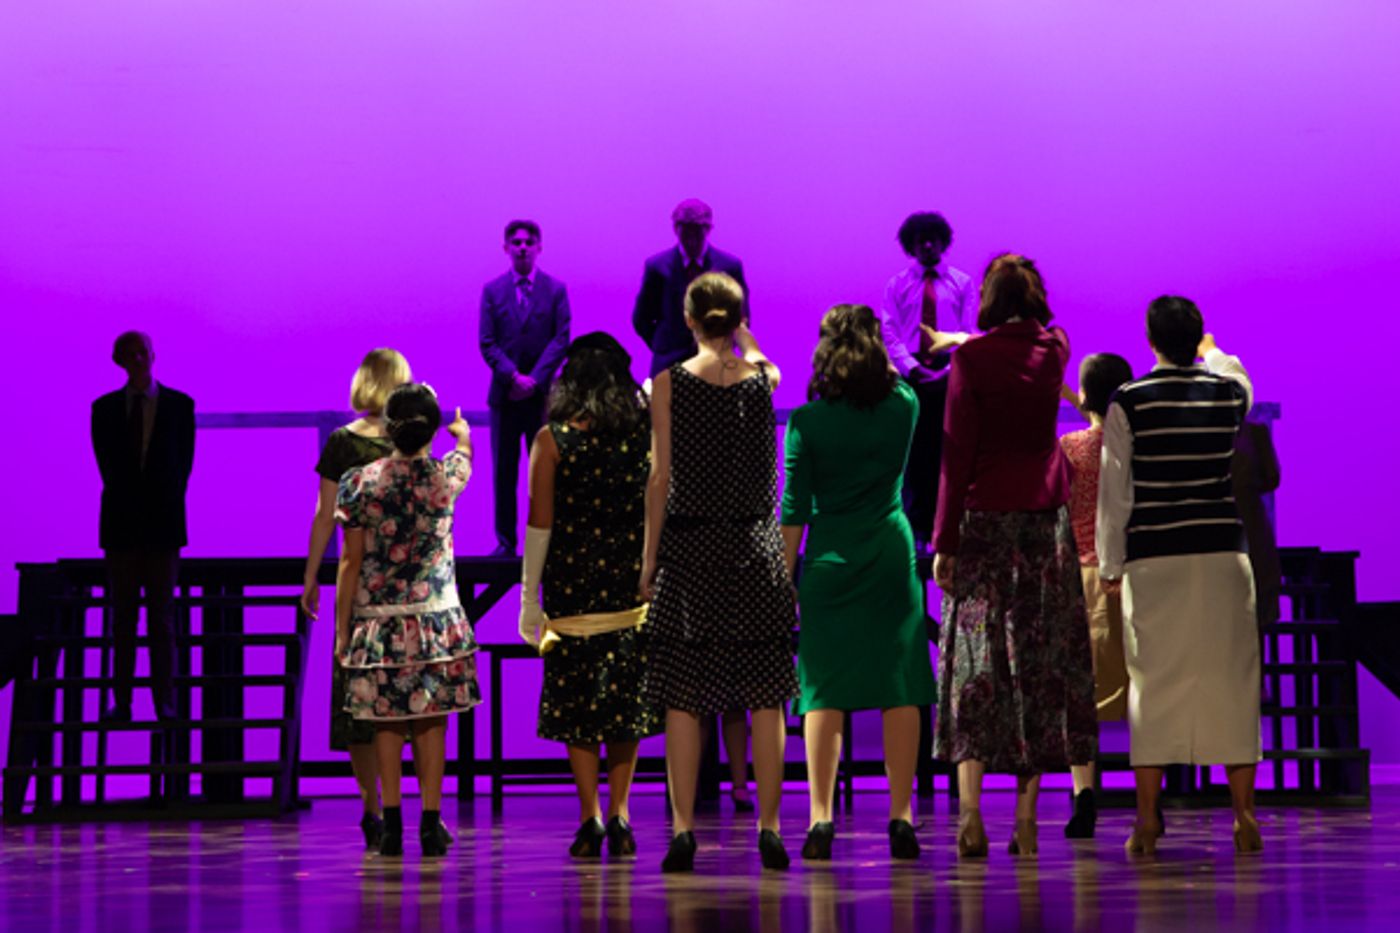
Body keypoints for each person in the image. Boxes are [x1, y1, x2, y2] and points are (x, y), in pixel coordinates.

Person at [932, 254, 1097, 859]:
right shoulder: (1055, 350)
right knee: (1037, 665)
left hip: (984, 524)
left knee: (976, 668)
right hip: (1043, 527)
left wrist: (944, 541)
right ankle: (1026, 820)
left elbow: (956, 455)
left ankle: (970, 814)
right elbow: (1043, 334)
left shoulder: (970, 361)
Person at [641, 273, 797, 873]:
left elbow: (660, 478)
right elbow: (766, 361)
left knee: (685, 695)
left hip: (690, 546)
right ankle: (770, 827)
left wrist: (649, 560)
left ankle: (683, 829)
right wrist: (746, 339)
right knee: (764, 692)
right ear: (736, 320)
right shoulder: (762, 378)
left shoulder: (668, 383)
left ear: (687, 320)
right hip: (754, 545)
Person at [1096, 299, 1263, 856]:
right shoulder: (1227, 394)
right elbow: (1240, 377)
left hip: (1155, 557)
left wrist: (1110, 564)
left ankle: (1147, 819)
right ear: (1197, 340)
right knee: (1233, 681)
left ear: (1150, 341)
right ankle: (1243, 814)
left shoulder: (1129, 400)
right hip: (1221, 555)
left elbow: (1115, 494)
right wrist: (1214, 353)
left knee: (1153, 683)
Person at [780, 304, 937, 862]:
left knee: (824, 688)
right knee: (899, 683)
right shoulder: (904, 405)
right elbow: (899, 377)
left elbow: (794, 510)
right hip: (891, 556)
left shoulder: (806, 422)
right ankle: (901, 815)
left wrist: (785, 578)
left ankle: (821, 818)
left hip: (829, 560)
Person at [518, 332, 663, 859]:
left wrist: (529, 600)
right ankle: (621, 812)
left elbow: (539, 525)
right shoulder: (645, 435)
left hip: (572, 583)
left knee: (576, 699)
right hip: (628, 579)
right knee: (625, 699)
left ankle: (590, 816)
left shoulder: (552, 440)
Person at [336, 384, 480, 858]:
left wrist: (342, 628)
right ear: (431, 429)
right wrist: (461, 433)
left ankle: (392, 824)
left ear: (388, 427)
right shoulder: (444, 477)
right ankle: (431, 823)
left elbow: (350, 562)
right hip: (434, 619)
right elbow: (465, 454)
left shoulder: (362, 483)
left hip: (379, 623)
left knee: (387, 721)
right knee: (431, 719)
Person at [300, 348, 410, 850]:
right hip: (404, 583)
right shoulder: (409, 442)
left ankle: (373, 806)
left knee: (358, 702)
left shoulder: (344, 442)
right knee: (403, 704)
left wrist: (311, 576)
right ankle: (398, 805)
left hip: (359, 585)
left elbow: (324, 514)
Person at [91, 331, 195, 722]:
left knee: (160, 618)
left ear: (152, 355)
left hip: (161, 525)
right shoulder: (103, 409)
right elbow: (108, 467)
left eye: (142, 352)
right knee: (124, 617)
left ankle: (163, 701)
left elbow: (182, 467)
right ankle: (124, 701)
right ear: (119, 359)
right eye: (130, 354)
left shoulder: (180, 406)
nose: (137, 359)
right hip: (123, 525)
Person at [1057, 352, 1135, 839]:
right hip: (1135, 576)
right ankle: (1149, 795)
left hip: (1084, 578)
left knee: (1079, 694)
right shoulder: (1136, 448)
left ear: (1084, 395)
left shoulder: (1069, 448)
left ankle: (1084, 792)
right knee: (1141, 687)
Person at [878, 211, 976, 552]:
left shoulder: (961, 283)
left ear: (943, 242)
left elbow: (967, 330)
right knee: (914, 454)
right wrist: (912, 368)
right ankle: (916, 531)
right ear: (912, 245)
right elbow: (890, 332)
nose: (928, 246)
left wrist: (947, 371)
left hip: (950, 375)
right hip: (913, 377)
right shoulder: (897, 285)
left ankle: (946, 528)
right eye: (921, 241)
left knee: (947, 453)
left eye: (933, 240)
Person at [479, 219, 572, 556]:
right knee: (504, 474)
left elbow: (561, 338)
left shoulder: (555, 289)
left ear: (538, 247)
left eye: (528, 242)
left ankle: (544, 541)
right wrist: (513, 377)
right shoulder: (493, 291)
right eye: (516, 242)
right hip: (505, 397)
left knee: (543, 473)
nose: (522, 248)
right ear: (506, 248)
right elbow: (487, 342)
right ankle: (506, 543)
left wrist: (534, 380)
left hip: (539, 398)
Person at [632, 199, 749, 378]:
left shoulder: (729, 267)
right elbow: (641, 318)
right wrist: (663, 347)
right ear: (676, 230)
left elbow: (741, 317)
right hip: (668, 364)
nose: (692, 240)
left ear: (708, 230)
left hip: (715, 362)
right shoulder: (657, 267)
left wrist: (722, 347)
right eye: (686, 233)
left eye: (697, 232)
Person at [1233, 413, 1282, 629]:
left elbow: (1272, 477)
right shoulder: (1254, 433)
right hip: (1246, 522)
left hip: (1249, 524)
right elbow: (1272, 477)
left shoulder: (1255, 433)